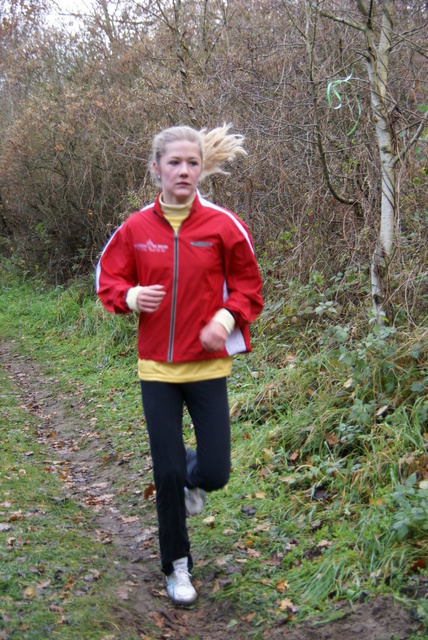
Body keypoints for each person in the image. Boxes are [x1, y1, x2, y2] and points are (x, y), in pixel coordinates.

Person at [95, 124, 263, 606]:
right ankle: (178, 567)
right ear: (156, 169)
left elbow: (249, 286)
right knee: (165, 473)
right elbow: (107, 277)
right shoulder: (135, 229)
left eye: (192, 162)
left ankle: (194, 477)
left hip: (208, 369)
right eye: (174, 163)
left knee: (214, 471)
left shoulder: (223, 226)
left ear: (202, 168)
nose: (184, 170)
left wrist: (226, 316)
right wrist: (129, 295)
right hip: (157, 372)